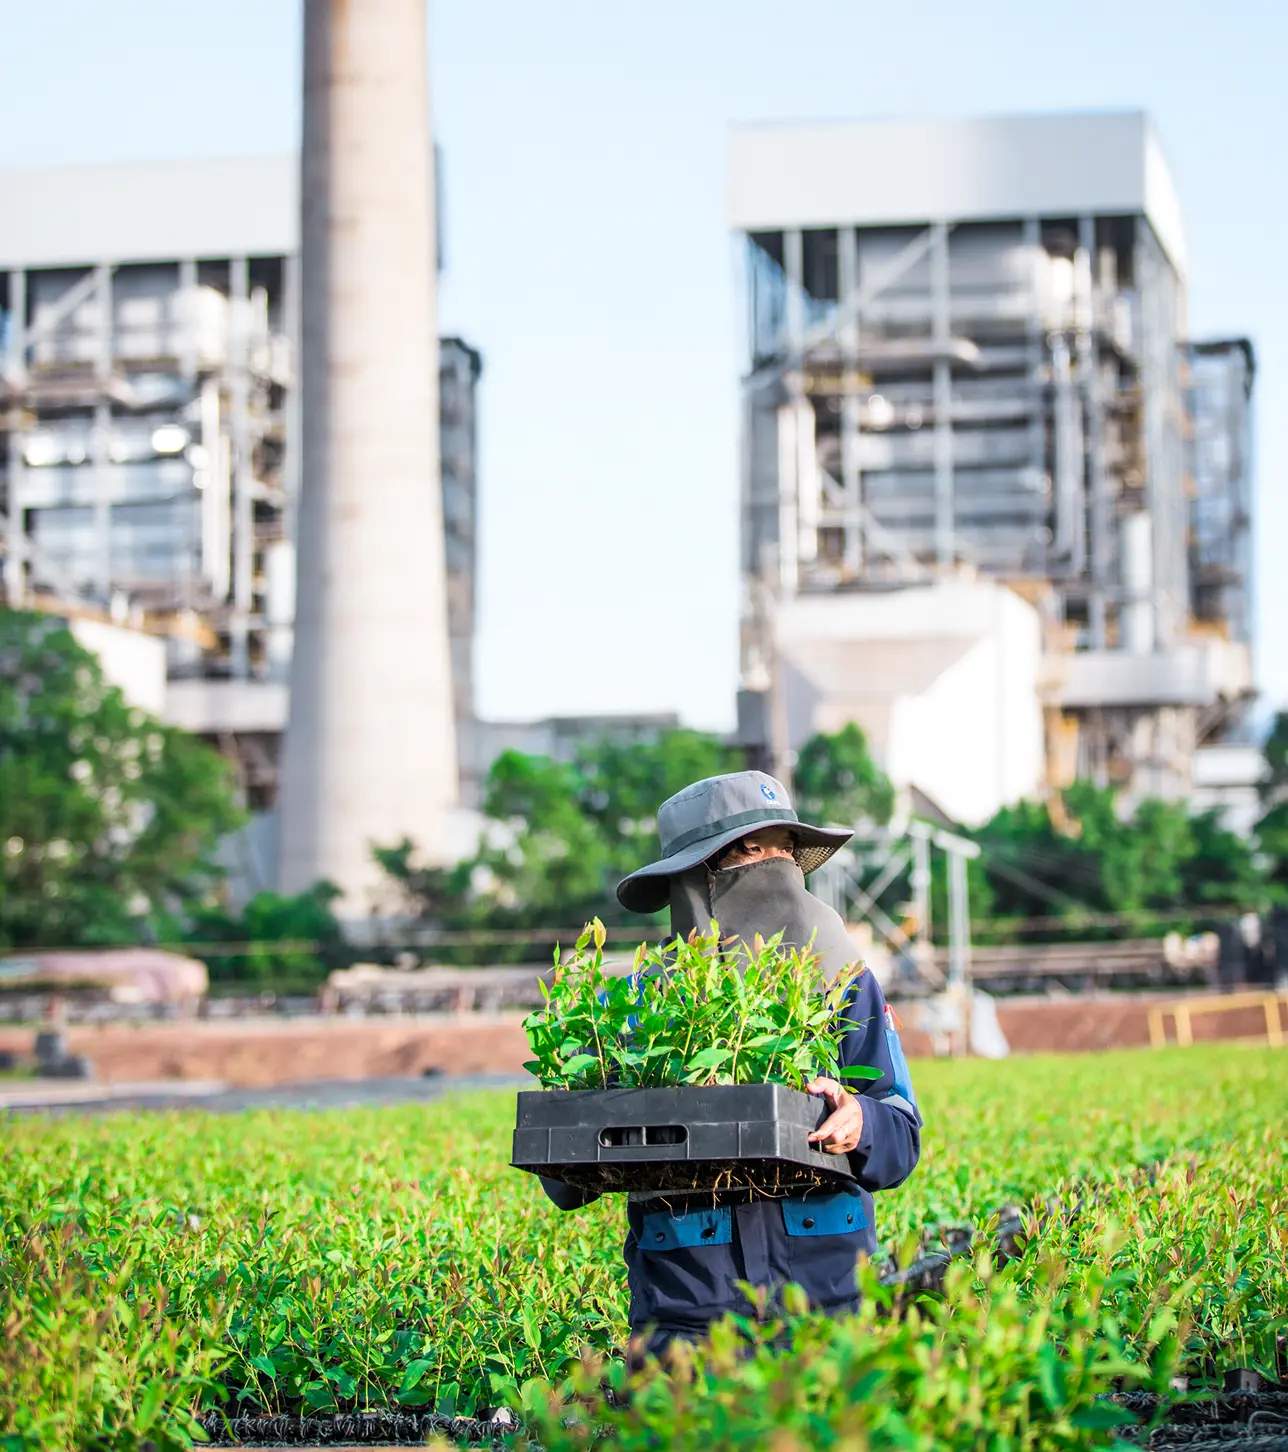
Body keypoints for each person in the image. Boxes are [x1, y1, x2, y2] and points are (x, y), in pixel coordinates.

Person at [539, 769, 921, 1362]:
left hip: (828, 1306)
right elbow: (564, 1180)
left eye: (784, 850)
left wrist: (860, 1119)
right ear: (696, 879)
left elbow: (902, 1135)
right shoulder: (639, 1006)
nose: (777, 867)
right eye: (750, 852)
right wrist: (620, 1110)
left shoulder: (845, 983)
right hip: (686, 1321)